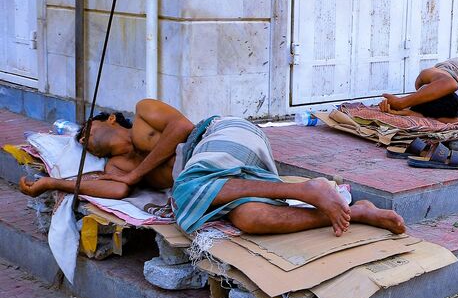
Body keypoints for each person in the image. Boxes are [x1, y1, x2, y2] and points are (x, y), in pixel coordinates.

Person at [19, 99, 405, 237]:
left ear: (110, 121)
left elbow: (183, 128)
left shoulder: (142, 114)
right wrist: (54, 182)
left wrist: (136, 175)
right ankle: (358, 213)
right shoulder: (117, 165)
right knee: (252, 219)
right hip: (224, 176)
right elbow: (118, 191)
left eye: (87, 130)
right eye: (80, 141)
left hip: (224, 134)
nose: (83, 138)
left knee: (185, 191)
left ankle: (306, 189)